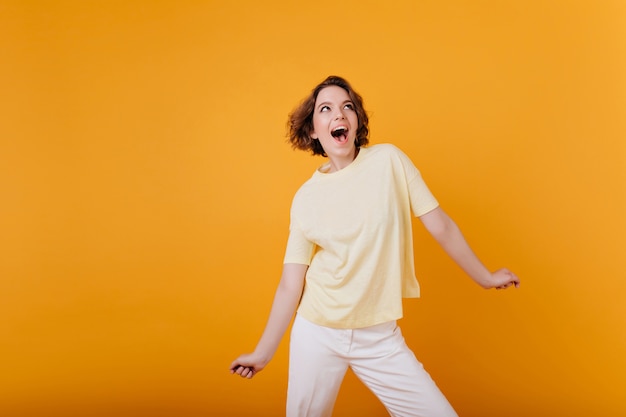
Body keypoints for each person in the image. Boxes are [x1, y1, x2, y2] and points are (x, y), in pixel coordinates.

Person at [230, 75, 520, 417]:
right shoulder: (305, 198)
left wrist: (484, 277)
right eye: (326, 109)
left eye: (347, 107)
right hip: (318, 332)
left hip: (378, 337)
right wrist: (263, 353)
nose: (339, 114)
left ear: (355, 122)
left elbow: (440, 225)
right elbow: (290, 284)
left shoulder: (389, 161)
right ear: (313, 130)